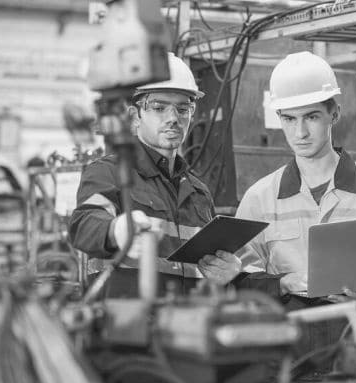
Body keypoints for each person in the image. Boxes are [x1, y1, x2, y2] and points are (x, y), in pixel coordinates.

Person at [69, 53, 281, 298]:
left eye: (183, 109)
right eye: (159, 108)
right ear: (135, 116)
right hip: (127, 328)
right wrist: (115, 230)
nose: (173, 119)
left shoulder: (198, 193)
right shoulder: (108, 173)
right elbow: (83, 224)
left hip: (184, 328)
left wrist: (230, 273)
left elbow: (205, 272)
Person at [236, 51, 356, 302]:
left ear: (334, 114)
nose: (300, 132)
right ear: (279, 118)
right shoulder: (259, 198)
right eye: (289, 119)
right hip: (291, 335)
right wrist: (285, 283)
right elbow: (240, 285)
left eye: (311, 117)